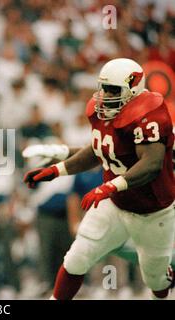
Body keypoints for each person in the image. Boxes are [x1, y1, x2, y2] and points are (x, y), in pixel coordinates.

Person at [23, 58, 175, 300]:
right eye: (103, 87)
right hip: (116, 203)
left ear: (133, 89)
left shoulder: (149, 113)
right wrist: (57, 170)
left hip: (153, 212)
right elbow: (99, 150)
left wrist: (109, 186)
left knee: (155, 279)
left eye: (113, 90)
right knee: (77, 257)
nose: (105, 95)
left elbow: (151, 164)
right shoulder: (101, 110)